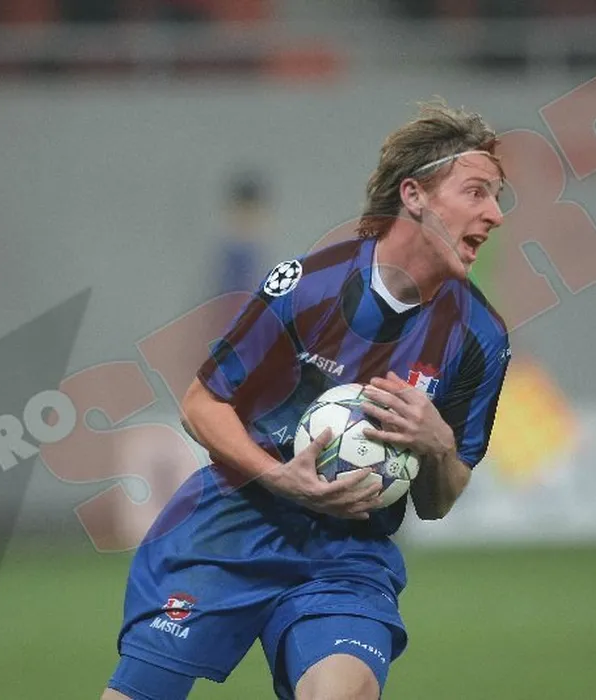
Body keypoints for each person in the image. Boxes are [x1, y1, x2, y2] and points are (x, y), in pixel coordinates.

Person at [102, 101, 511, 700]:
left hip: (346, 555)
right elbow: (202, 404)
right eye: (476, 192)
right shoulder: (310, 285)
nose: (495, 214)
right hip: (231, 527)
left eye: (498, 197)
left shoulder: (480, 338)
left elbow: (437, 502)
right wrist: (281, 478)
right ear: (415, 195)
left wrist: (438, 446)